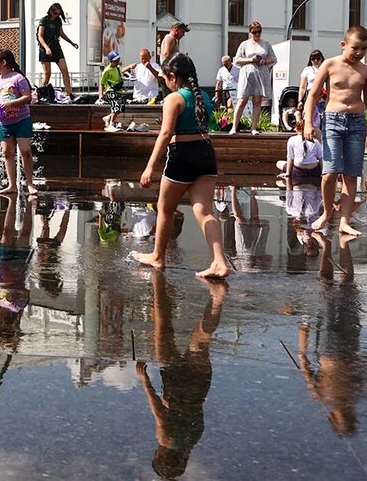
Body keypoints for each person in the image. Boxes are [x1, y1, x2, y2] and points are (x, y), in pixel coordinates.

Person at [133, 53, 232, 279]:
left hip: (182, 157)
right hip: (206, 154)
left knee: (165, 209)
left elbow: (165, 134)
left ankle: (158, 256)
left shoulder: (174, 99)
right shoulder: (204, 98)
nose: (165, 83)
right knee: (205, 211)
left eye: (165, 78)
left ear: (173, 77)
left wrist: (149, 167)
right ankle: (219, 262)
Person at [137, 270, 225, 480]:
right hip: (175, 383)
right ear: (161, 456)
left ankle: (217, 299)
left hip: (198, 386)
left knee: (201, 342)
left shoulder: (192, 439)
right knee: (162, 327)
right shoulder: (167, 440)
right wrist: (144, 380)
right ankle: (158, 286)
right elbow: (158, 411)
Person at [304, 26, 367, 236]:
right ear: (343, 44)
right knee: (330, 172)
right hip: (333, 121)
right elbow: (313, 96)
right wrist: (308, 123)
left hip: (356, 123)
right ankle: (327, 213)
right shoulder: (330, 64)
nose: (359, 52)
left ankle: (345, 220)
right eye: (355, 47)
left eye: (364, 48)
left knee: (351, 174)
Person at [0, 49, 39, 196]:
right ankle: (12, 185)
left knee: (25, 151)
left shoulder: (18, 78)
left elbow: (27, 97)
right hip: (4, 122)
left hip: (21, 119)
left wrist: (12, 103)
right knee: (7, 152)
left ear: (3, 62)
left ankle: (29, 184)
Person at [230, 21, 277, 135]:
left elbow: (274, 59)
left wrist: (264, 61)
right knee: (242, 100)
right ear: (250, 32)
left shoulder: (266, 44)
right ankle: (234, 127)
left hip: (261, 73)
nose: (257, 34)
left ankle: (254, 127)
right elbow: (237, 60)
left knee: (257, 101)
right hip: (247, 74)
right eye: (254, 32)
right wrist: (251, 60)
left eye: (259, 32)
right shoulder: (244, 44)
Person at [36, 3, 78, 100]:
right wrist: (46, 48)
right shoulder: (44, 20)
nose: (56, 15)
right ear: (51, 11)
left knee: (65, 71)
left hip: (56, 47)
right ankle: (42, 93)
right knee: (47, 73)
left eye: (58, 14)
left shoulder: (58, 21)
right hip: (45, 47)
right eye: (55, 13)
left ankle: (69, 93)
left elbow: (61, 33)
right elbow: (40, 36)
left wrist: (71, 43)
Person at [277, 109, 322, 183]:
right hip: (313, 171)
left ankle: (288, 172)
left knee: (279, 163)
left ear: (297, 129)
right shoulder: (315, 141)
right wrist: (322, 172)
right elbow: (320, 158)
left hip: (298, 171)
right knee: (315, 160)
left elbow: (290, 158)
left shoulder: (292, 139)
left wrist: (288, 173)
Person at [99, 51, 125, 131]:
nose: (117, 62)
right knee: (115, 107)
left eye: (118, 60)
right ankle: (111, 125)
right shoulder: (107, 70)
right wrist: (101, 94)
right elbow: (102, 83)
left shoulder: (117, 68)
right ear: (111, 61)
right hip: (111, 91)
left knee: (121, 108)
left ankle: (108, 117)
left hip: (119, 91)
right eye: (115, 61)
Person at [298, 49, 326, 122]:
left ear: (322, 59)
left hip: (324, 97)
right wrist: (300, 100)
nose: (316, 60)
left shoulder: (325, 68)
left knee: (323, 118)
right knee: (309, 117)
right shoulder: (307, 70)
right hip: (311, 96)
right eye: (313, 59)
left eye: (318, 58)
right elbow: (302, 87)